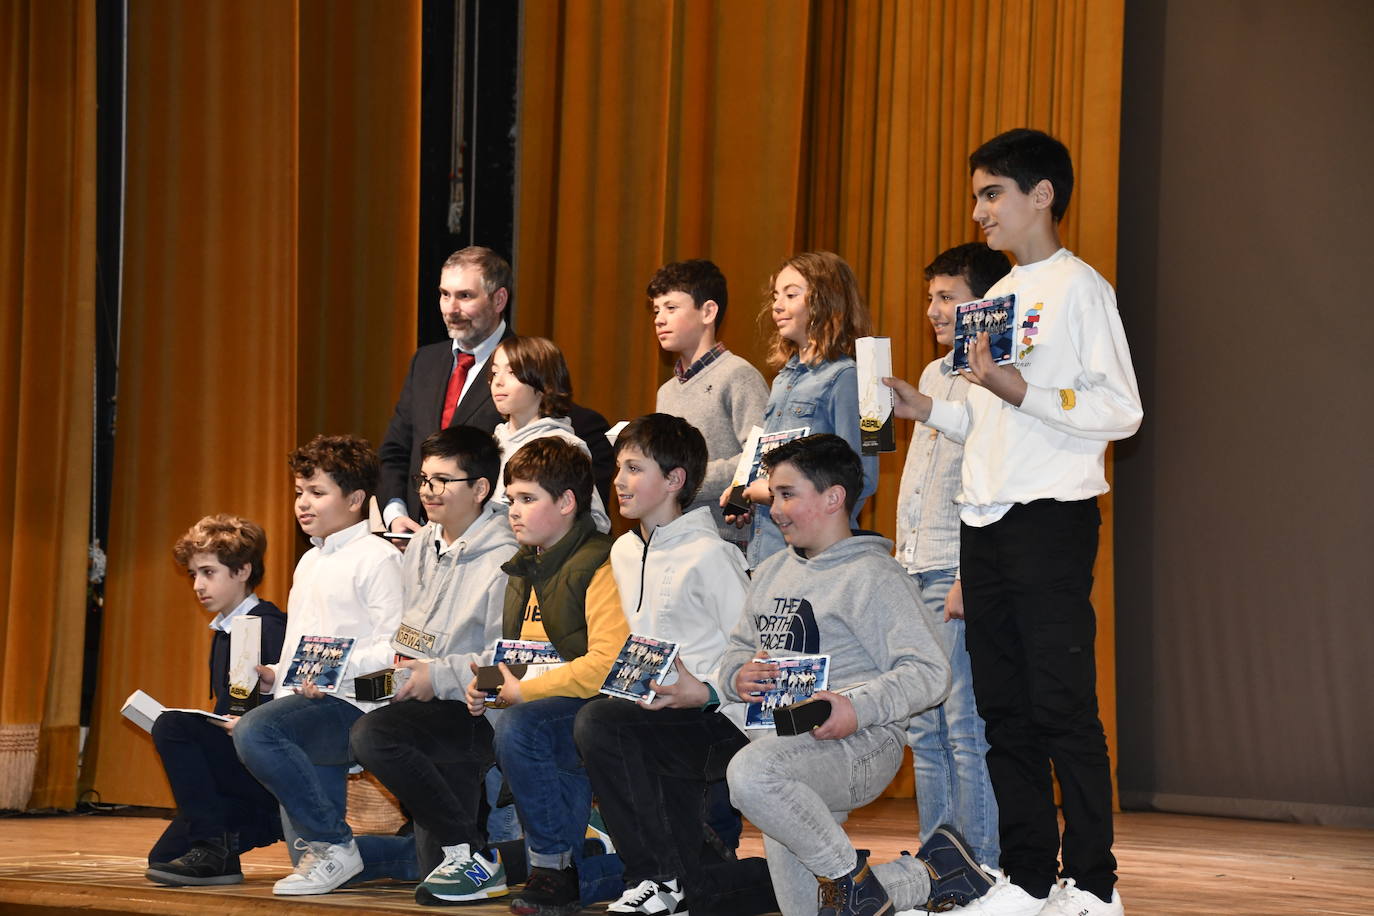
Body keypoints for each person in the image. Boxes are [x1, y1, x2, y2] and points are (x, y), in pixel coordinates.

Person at [885, 128, 1142, 916]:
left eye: (992, 193)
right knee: (1003, 711)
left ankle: (1094, 883)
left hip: (1049, 518)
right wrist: (928, 408)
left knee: (1062, 705)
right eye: (977, 196)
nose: (979, 211)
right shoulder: (993, 299)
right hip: (985, 521)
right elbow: (989, 418)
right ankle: (1029, 877)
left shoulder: (1081, 290)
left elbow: (1122, 410)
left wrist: (1020, 388)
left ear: (1043, 194)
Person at [717, 434, 993, 916]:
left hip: (862, 744)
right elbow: (738, 649)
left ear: (833, 497)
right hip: (783, 744)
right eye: (773, 495)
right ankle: (933, 874)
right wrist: (737, 675)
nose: (774, 509)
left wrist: (856, 707)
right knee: (807, 910)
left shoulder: (875, 575)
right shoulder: (772, 571)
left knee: (750, 774)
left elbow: (931, 673)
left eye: (787, 494)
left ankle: (850, 882)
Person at [573, 413, 776, 916]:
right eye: (618, 468)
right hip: (660, 712)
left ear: (674, 480)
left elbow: (759, 657)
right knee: (698, 894)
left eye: (634, 469)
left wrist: (706, 691)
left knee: (603, 723)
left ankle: (654, 876)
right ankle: (752, 880)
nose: (618, 481)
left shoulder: (712, 555)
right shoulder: (624, 551)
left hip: (721, 719)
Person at [232, 435, 410, 896]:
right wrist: (274, 676)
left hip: (357, 705)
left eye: (317, 492)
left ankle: (335, 844)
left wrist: (334, 672)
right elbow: (300, 644)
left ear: (354, 499)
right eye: (299, 492)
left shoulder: (379, 558)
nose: (303, 503)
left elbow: (395, 650)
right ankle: (418, 854)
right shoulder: (309, 561)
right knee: (307, 858)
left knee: (257, 731)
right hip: (309, 705)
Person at [348, 425, 520, 906]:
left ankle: (471, 852)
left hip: (475, 707)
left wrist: (440, 676)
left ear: (480, 488)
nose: (428, 491)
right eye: (424, 479)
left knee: (374, 736)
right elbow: (409, 633)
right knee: (432, 876)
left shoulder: (508, 556)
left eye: (442, 480)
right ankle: (484, 854)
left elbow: (508, 662)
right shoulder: (422, 543)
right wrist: (396, 673)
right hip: (417, 698)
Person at [462, 436, 630, 916]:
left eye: (527, 499)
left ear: (567, 502)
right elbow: (525, 654)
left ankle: (551, 867)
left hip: (601, 707)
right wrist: (489, 685)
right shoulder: (524, 567)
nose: (513, 511)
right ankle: (573, 866)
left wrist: (524, 692)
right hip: (550, 702)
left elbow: (607, 663)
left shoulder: (601, 561)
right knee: (514, 722)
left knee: (524, 726)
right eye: (511, 499)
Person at [896, 242, 1010, 870]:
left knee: (963, 723)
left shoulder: (996, 376)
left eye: (948, 297)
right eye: (931, 298)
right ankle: (936, 860)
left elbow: (986, 481)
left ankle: (979, 861)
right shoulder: (935, 373)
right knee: (924, 724)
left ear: (984, 306)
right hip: (914, 565)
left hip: (953, 566)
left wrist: (970, 571)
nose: (933, 310)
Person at [379, 246, 614, 533]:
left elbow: (571, 443)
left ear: (499, 299)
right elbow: (397, 449)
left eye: (465, 296)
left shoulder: (530, 368)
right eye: (445, 294)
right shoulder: (425, 361)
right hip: (417, 534)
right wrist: (395, 513)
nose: (451, 309)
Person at [144, 514, 287, 886]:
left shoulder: (267, 627)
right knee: (163, 860)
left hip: (266, 771)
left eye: (208, 572)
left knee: (172, 726)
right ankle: (235, 836)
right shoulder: (225, 632)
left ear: (242, 571)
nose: (197, 585)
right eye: (193, 574)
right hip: (240, 767)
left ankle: (227, 838)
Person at [721, 251, 877, 569]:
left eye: (791, 295)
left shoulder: (849, 377)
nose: (777, 306)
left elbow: (863, 477)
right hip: (767, 553)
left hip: (817, 559)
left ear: (826, 301)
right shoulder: (782, 379)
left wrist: (775, 494)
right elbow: (770, 456)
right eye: (776, 296)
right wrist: (743, 492)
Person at [647, 259, 769, 543]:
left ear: (708, 311)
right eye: (656, 310)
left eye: (671, 308)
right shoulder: (666, 392)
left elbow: (761, 456)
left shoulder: (738, 375)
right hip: (676, 535)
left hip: (727, 538)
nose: (659, 319)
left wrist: (685, 478)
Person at [490, 335, 612, 533]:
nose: (498, 382)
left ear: (543, 382)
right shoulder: (493, 442)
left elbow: (594, 522)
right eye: (495, 373)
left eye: (512, 372)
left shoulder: (562, 447)